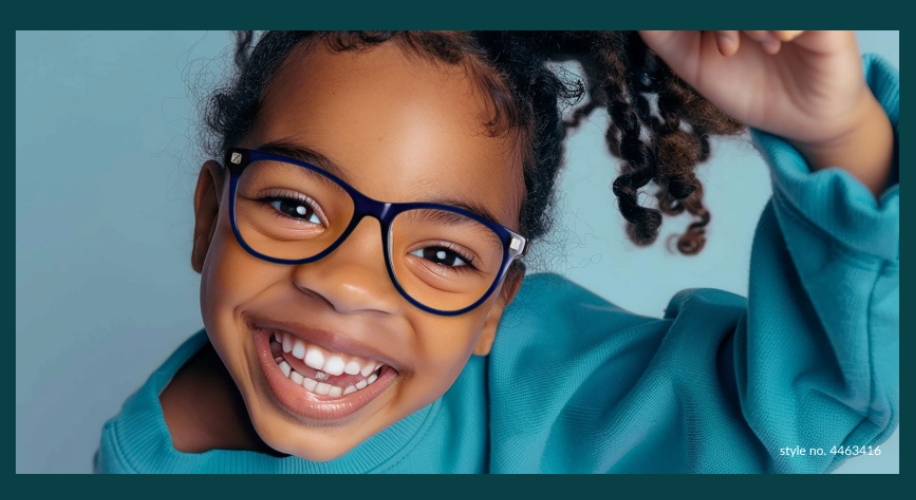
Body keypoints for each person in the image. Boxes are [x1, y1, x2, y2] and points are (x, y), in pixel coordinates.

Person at [95, 30, 899, 473]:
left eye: (445, 256)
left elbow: (813, 416)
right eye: (296, 205)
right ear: (210, 216)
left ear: (496, 304)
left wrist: (834, 136)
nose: (346, 283)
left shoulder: (545, 390)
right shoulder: (134, 465)